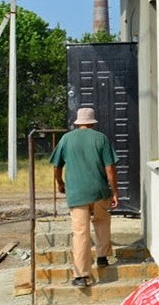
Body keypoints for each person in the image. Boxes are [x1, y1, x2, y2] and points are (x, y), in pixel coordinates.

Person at [50, 106, 119, 288]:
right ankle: (103, 257)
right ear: (92, 123)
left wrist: (60, 183)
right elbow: (110, 168)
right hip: (99, 191)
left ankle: (81, 275)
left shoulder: (66, 139)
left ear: (78, 122)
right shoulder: (101, 138)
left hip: (77, 193)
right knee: (102, 221)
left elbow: (56, 167)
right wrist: (114, 191)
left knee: (81, 233)